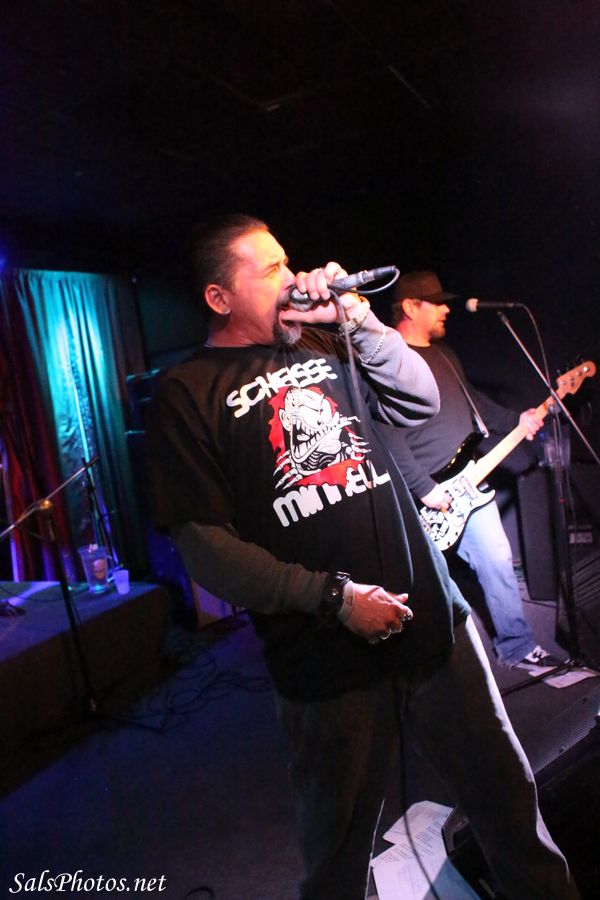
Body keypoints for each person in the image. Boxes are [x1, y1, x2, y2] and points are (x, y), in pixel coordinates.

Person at [147, 215, 578, 900]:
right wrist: (332, 597)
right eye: (270, 269)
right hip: (326, 661)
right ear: (219, 298)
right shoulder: (186, 392)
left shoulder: (326, 339)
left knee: (508, 805)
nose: (292, 277)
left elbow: (419, 399)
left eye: (288, 260)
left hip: (434, 624)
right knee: (337, 859)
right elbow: (207, 548)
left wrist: (358, 318)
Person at [390, 269, 562, 668]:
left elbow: (476, 405)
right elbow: (384, 434)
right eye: (436, 303)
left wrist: (517, 420)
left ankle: (517, 646)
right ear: (411, 307)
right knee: (423, 587)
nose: (446, 309)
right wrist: (424, 488)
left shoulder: (445, 355)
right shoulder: (388, 360)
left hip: (467, 485)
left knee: (498, 558)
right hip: (421, 495)